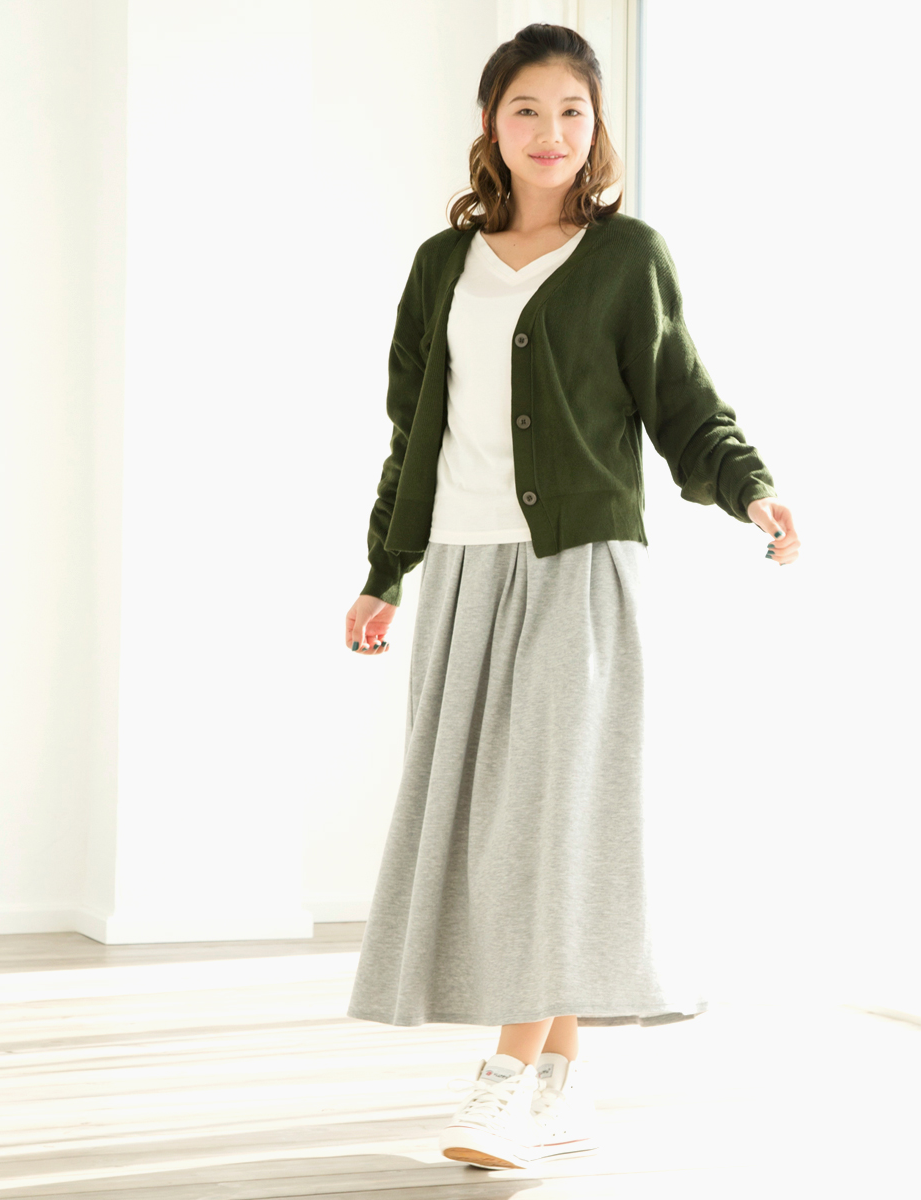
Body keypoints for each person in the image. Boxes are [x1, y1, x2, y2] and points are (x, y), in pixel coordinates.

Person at [343, 21, 800, 1173]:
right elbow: (414, 434)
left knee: (552, 827)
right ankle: (560, 1086)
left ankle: (503, 1082)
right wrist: (386, 570)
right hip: (464, 570)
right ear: (490, 124)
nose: (551, 132)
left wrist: (751, 489)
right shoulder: (442, 266)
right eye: (527, 109)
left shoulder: (626, 256)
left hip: (580, 570)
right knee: (500, 833)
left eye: (573, 111)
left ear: (596, 127)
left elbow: (684, 405)